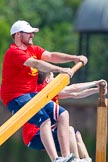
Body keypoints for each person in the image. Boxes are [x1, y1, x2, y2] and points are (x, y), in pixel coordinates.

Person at [1, 20, 88, 162]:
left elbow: (51, 56)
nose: (32, 36)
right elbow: (36, 63)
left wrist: (74, 58)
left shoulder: (33, 49)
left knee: (63, 115)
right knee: (44, 120)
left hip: (31, 95)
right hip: (15, 97)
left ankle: (67, 157)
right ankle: (56, 159)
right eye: (29, 33)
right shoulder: (14, 52)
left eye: (32, 33)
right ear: (18, 35)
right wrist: (60, 69)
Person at [22, 71, 107, 162]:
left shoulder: (50, 92)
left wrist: (96, 90)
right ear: (47, 80)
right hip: (34, 136)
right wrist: (95, 83)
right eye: (53, 77)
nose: (54, 80)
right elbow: (74, 88)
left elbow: (76, 94)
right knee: (69, 130)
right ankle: (76, 160)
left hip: (42, 133)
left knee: (76, 134)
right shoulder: (43, 90)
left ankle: (87, 159)